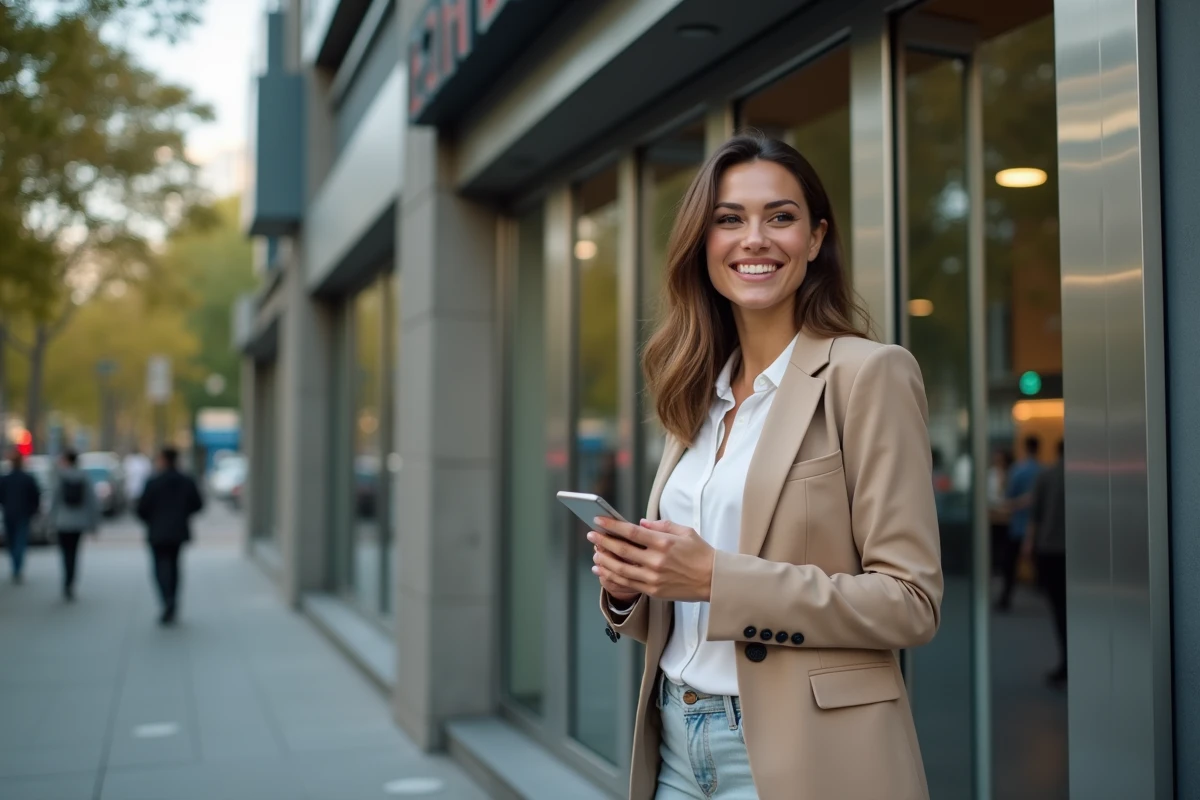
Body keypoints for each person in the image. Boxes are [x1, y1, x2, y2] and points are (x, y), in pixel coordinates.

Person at [588, 134, 942, 800]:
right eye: (729, 219)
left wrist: (719, 578)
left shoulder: (868, 375)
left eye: (780, 217)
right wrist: (632, 587)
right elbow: (686, 610)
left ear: (814, 240)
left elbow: (911, 604)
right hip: (674, 739)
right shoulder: (695, 393)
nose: (755, 238)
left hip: (804, 753)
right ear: (703, 243)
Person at [136, 446, 203, 625]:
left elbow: (141, 509)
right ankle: (172, 601)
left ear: (164, 460)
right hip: (178, 531)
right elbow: (198, 505)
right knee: (174, 566)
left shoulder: (153, 482)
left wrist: (153, 519)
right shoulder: (186, 481)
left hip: (157, 531)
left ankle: (166, 600)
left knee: (160, 568)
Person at [1024, 439, 1067, 686]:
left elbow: (1035, 516)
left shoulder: (1045, 476)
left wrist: (1028, 545)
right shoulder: (1085, 476)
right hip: (1078, 550)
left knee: (1058, 606)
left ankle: (1065, 660)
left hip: (1049, 547)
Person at [996, 435, 1041, 612]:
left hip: (1018, 524)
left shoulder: (1018, 471)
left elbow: (1008, 498)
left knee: (1010, 565)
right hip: (1038, 526)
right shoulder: (1042, 470)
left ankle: (1006, 598)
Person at [50, 449, 100, 601]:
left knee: (65, 553)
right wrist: (94, 523)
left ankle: (66, 581)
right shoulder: (84, 477)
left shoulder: (60, 477)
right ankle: (71, 581)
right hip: (79, 522)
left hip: (62, 522)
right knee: (74, 552)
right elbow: (92, 501)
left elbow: (54, 501)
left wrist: (51, 521)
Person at [0, 449, 43, 584]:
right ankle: (17, 567)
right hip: (23, 514)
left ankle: (16, 566)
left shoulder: (5, 479)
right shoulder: (28, 479)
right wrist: (33, 510)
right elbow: (36, 496)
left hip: (10, 513)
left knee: (13, 541)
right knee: (20, 541)